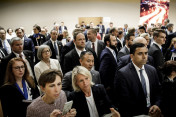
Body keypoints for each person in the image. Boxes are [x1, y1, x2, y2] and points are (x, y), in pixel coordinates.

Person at [114, 43, 161, 117]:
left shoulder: (152, 70)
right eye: (140, 54)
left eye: (146, 53)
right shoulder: (123, 73)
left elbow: (158, 91)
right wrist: (145, 113)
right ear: (132, 56)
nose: (144, 56)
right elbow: (124, 101)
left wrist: (156, 105)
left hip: (153, 111)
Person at [99, 34, 118, 101]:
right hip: (110, 86)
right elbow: (102, 71)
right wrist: (107, 86)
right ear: (108, 42)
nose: (116, 42)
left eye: (116, 40)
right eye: (114, 41)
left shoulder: (114, 50)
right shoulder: (106, 54)